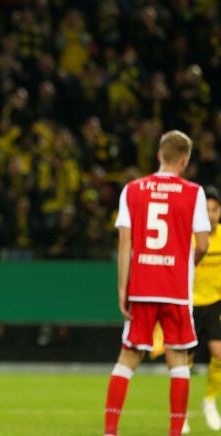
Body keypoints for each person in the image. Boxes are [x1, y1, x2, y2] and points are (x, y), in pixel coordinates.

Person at [103, 130, 211, 436]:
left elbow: (125, 243)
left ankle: (110, 431)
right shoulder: (194, 193)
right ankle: (175, 432)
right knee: (178, 360)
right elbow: (203, 244)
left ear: (159, 155)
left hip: (142, 287)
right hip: (175, 290)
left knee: (128, 359)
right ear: (185, 160)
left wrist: (122, 289)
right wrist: (186, 266)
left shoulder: (133, 189)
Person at [188, 185, 221, 431]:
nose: (210, 215)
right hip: (190, 304)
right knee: (183, 362)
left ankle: (209, 401)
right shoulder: (190, 238)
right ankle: (180, 411)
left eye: (214, 209)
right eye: (206, 210)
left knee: (219, 354)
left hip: (215, 303)